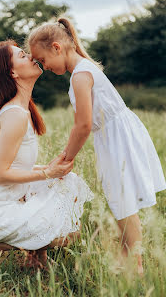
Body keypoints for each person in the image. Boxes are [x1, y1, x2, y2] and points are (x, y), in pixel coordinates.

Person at [28, 18, 166, 274]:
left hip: (118, 137)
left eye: (43, 60)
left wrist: (67, 157)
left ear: (57, 47)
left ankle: (134, 265)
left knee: (123, 201)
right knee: (120, 201)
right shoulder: (83, 70)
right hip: (113, 135)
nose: (44, 67)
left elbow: (83, 125)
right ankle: (129, 258)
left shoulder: (81, 75)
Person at [0, 40, 94, 266]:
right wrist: (47, 173)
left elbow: (14, 166)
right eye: (23, 55)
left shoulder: (21, 110)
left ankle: (35, 255)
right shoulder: (15, 115)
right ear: (12, 72)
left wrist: (51, 169)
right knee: (68, 235)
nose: (32, 57)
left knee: (67, 181)